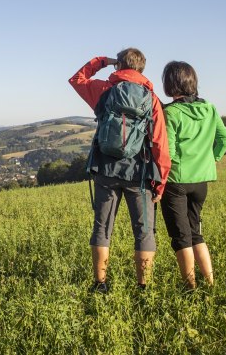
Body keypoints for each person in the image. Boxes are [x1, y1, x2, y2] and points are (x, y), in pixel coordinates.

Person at [69, 49, 171, 293]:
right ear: (142, 69)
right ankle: (143, 287)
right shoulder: (151, 98)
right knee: (144, 231)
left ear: (119, 66)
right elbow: (159, 143)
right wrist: (161, 181)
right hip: (140, 173)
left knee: (102, 228)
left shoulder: (104, 91)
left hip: (105, 169)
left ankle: (100, 284)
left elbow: (77, 79)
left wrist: (103, 62)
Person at [160, 61, 226, 289]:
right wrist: (212, 160)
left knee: (181, 238)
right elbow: (225, 139)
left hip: (176, 182)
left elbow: (167, 153)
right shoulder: (209, 108)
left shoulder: (170, 112)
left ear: (170, 84)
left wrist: (157, 183)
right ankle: (210, 284)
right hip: (201, 182)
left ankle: (189, 288)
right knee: (196, 234)